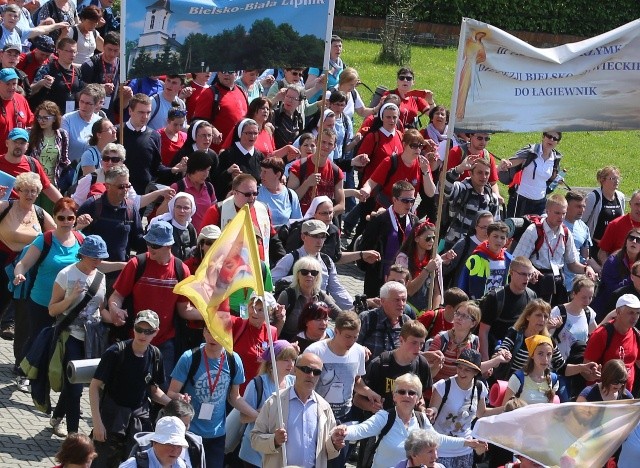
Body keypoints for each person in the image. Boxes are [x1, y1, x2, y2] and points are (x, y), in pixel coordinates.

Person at [337, 373, 485, 468]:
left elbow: (438, 440)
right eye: (401, 391)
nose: (406, 395)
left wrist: (468, 443)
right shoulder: (384, 417)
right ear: (394, 396)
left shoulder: (421, 420)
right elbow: (361, 430)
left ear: (417, 398)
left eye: (412, 392)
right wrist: (343, 431)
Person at [108, 220, 200, 374]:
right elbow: (117, 296)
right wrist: (114, 308)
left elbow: (184, 310)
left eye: (156, 245)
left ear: (169, 245)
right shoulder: (137, 264)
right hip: (135, 339)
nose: (150, 248)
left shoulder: (181, 270)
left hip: (166, 342)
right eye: (148, 243)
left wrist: (209, 315)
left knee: (162, 391)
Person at [89, 310, 175, 468]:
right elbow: (94, 387)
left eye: (148, 331)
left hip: (138, 421)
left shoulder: (155, 356)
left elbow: (153, 390)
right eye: (139, 329)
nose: (143, 335)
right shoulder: (116, 352)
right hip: (112, 418)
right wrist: (97, 423)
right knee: (101, 463)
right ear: (133, 328)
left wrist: (174, 404)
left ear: (156, 332)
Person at [12, 197, 85, 383]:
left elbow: (93, 266)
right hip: (41, 300)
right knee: (36, 337)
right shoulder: (44, 240)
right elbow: (24, 263)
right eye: (61, 218)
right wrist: (19, 274)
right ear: (54, 217)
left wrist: (124, 265)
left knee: (58, 340)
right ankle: (23, 372)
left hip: (67, 303)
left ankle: (44, 372)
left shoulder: (80, 240)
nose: (66, 222)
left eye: (70, 218)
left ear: (75, 218)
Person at [167, 326, 258, 467]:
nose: (212, 337)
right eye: (209, 331)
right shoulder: (189, 357)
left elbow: (235, 397)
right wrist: (180, 398)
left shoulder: (233, 360)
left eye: (218, 333)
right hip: (189, 433)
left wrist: (257, 415)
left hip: (217, 435)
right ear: (203, 332)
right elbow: (171, 393)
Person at [47, 235, 109, 438]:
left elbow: (101, 309)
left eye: (101, 258)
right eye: (94, 257)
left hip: (93, 339)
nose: (98, 262)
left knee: (75, 383)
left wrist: (115, 316)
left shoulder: (100, 277)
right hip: (70, 336)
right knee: (75, 388)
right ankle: (74, 436)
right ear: (83, 255)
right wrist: (72, 297)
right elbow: (52, 309)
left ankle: (57, 417)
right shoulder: (66, 274)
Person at [304, 311, 382, 467]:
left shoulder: (359, 351)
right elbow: (302, 383)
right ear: (336, 331)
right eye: (347, 336)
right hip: (316, 417)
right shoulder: (315, 351)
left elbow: (356, 380)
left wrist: (369, 392)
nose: (351, 341)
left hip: (344, 418)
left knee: (337, 463)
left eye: (355, 337)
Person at [0, 172, 55, 366]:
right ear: (18, 190)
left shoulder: (40, 213)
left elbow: (56, 235)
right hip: (2, 265)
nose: (30, 194)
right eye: (26, 190)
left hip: (27, 271)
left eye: (34, 191)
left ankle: (20, 363)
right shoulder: (6, 207)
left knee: (23, 320)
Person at [250, 352, 343, 468]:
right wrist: (274, 440)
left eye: (316, 372)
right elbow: (255, 439)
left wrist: (335, 443)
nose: (311, 375)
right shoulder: (274, 402)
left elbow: (328, 449)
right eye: (306, 369)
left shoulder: (324, 407)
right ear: (295, 370)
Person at [512, 193, 596, 305]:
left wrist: (586, 269)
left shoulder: (566, 233)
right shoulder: (534, 230)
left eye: (563, 213)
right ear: (547, 211)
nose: (561, 217)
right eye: (557, 213)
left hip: (558, 282)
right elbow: (518, 258)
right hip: (537, 281)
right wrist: (531, 269)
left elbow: (572, 264)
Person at [494, 299, 598, 382]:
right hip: (513, 385)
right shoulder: (515, 334)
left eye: (546, 316)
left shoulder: (548, 341)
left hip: (538, 389)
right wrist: (502, 353)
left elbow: (562, 368)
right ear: (528, 316)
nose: (542, 320)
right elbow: (504, 348)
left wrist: (582, 367)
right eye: (538, 315)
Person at [430, 349, 501, 468]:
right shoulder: (443, 386)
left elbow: (481, 413)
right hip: (442, 449)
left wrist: (506, 409)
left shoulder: (479, 387)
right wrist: (431, 411)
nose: (461, 372)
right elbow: (432, 412)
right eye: (460, 367)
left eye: (467, 369)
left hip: (465, 451)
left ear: (476, 372)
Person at [201, 173, 284, 265]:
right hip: (226, 270)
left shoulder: (263, 209)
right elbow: (204, 243)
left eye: (255, 193)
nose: (252, 198)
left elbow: (272, 238)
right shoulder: (217, 211)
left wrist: (283, 261)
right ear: (235, 193)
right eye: (247, 194)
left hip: (259, 269)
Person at [238, 340, 297, 468]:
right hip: (254, 455)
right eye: (285, 359)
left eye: (293, 359)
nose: (291, 364)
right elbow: (243, 418)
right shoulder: (257, 384)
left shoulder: (294, 383)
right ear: (272, 362)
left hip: (279, 455)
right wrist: (266, 413)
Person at [271, 219, 352, 311]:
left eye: (323, 236)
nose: (320, 241)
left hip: (319, 314)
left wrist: (352, 306)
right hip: (294, 312)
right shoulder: (290, 258)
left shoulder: (327, 261)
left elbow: (337, 289)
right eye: (315, 236)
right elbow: (271, 283)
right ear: (303, 236)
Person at [358, 180, 419, 298]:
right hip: (379, 277)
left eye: (412, 201)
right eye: (405, 201)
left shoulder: (413, 221)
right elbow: (365, 248)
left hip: (404, 278)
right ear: (394, 199)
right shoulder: (379, 220)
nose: (409, 205)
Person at [360, 320, 433, 412]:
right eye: (414, 343)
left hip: (406, 422)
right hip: (380, 421)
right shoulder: (380, 364)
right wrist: (372, 407)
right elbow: (357, 399)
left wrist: (423, 411)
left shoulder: (422, 364)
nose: (418, 348)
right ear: (401, 340)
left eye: (421, 343)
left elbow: (420, 396)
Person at [77, 165, 145, 262]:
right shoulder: (91, 205)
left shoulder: (131, 208)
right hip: (92, 270)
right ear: (107, 186)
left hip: (119, 271)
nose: (125, 190)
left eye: (128, 186)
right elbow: (75, 236)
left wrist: (151, 240)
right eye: (121, 186)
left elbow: (137, 240)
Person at [358, 128, 436, 209]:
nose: (418, 149)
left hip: (407, 210)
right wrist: (366, 190)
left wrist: (425, 172)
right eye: (414, 146)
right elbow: (371, 182)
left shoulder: (423, 165)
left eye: (420, 146)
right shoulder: (390, 161)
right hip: (386, 209)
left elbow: (431, 193)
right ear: (404, 145)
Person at [478, 256, 537, 361]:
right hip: (495, 352)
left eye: (529, 274)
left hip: (518, 354)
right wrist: (486, 360)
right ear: (511, 273)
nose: (527, 278)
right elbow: (483, 332)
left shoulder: (531, 296)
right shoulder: (495, 297)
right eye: (523, 274)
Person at [428, 301, 504, 382]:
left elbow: (474, 369)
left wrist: (497, 360)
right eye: (457, 313)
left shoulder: (474, 342)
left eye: (464, 316)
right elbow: (427, 370)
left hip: (460, 389)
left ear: (473, 323)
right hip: (437, 388)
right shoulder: (441, 339)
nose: (459, 318)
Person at [584, 294, 640, 393]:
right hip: (602, 397)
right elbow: (585, 370)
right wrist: (592, 374)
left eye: (637, 313)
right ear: (618, 312)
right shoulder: (601, 334)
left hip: (625, 397)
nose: (635, 317)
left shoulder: (636, 335)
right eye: (630, 313)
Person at [499, 131, 563, 218]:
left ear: (558, 142)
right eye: (549, 136)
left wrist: (557, 180)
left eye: (555, 139)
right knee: (517, 229)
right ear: (543, 137)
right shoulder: (531, 151)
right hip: (521, 200)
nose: (551, 140)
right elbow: (512, 162)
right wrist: (506, 163)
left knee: (536, 230)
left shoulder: (555, 159)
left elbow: (551, 179)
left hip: (540, 203)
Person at [442, 156, 500, 250]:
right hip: (455, 245)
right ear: (470, 173)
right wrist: (459, 168)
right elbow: (445, 187)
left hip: (479, 248)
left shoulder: (492, 199)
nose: (484, 176)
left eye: (487, 173)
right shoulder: (462, 190)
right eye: (479, 172)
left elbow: (496, 226)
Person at [230, 291, 281, 393]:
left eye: (260, 310)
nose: (254, 312)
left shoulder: (272, 332)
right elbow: (218, 316)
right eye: (252, 307)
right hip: (235, 389)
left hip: (258, 390)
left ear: (269, 312)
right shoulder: (237, 324)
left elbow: (272, 362)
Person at [287, 127, 345, 215]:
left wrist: (325, 213)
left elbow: (341, 205)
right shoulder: (298, 167)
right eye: (323, 142)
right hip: (302, 220)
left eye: (330, 144)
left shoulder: (336, 172)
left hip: (324, 223)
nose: (326, 146)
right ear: (316, 142)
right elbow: (290, 199)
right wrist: (307, 183)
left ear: (334, 147)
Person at [27, 100, 70, 210]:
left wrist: (59, 179)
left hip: (52, 184)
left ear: (54, 118)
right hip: (34, 183)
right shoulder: (30, 133)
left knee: (50, 215)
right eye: (39, 117)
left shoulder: (62, 135)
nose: (41, 120)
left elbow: (64, 161)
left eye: (45, 118)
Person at [192, 70, 249, 153]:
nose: (226, 74)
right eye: (222, 71)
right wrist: (212, 129)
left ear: (236, 73)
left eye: (230, 71)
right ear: (218, 74)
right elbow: (197, 121)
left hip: (240, 149)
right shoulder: (209, 93)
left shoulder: (241, 91)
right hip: (218, 151)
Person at [357, 281, 412, 360]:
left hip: (395, 371)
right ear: (382, 301)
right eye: (396, 300)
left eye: (404, 300)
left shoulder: (406, 322)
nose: (401, 304)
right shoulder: (367, 318)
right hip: (368, 370)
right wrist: (360, 349)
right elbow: (350, 344)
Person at [458, 221, 512, 300]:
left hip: (498, 304)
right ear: (488, 236)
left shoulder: (509, 260)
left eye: (502, 238)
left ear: (506, 240)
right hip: (475, 305)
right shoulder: (475, 259)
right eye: (495, 236)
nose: (499, 240)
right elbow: (463, 284)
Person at [214, 118, 265, 200]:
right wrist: (228, 173)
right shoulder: (227, 155)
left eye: (255, 133)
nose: (252, 136)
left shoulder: (259, 156)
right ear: (240, 134)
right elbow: (216, 181)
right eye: (248, 133)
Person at [32, 38, 86, 115]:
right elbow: (30, 91)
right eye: (69, 51)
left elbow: (79, 95)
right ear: (59, 51)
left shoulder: (77, 71)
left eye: (75, 52)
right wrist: (41, 83)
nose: (73, 54)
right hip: (51, 116)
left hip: (70, 116)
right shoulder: (47, 69)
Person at [549, 276, 597, 360]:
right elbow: (546, 337)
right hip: (559, 365)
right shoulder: (558, 312)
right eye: (584, 297)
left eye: (590, 297)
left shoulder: (589, 313)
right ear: (574, 294)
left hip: (579, 364)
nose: (587, 301)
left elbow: (597, 336)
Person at [501, 335, 559, 405]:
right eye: (540, 354)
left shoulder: (553, 379)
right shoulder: (518, 378)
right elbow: (505, 408)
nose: (545, 359)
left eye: (549, 354)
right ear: (532, 355)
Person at [583, 166, 625, 260]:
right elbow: (583, 221)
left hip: (614, 248)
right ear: (603, 180)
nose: (616, 181)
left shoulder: (620, 197)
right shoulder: (593, 197)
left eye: (618, 178)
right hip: (595, 246)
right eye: (612, 178)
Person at [442, 210, 493, 289]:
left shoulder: (494, 245)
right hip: (461, 291)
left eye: (490, 227)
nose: (487, 231)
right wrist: (446, 262)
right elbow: (445, 269)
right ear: (475, 226)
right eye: (483, 227)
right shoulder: (464, 244)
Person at [79, 31, 122, 119]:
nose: (112, 54)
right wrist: (99, 89)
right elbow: (80, 90)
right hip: (90, 114)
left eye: (116, 50)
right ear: (103, 46)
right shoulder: (90, 65)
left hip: (109, 113)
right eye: (109, 49)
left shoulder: (121, 64)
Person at [563, 191, 599, 292]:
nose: (582, 210)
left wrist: (600, 270)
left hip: (576, 282)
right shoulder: (557, 223)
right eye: (578, 206)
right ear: (567, 206)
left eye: (583, 206)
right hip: (558, 279)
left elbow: (586, 257)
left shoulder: (584, 228)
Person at [119, 416, 189, 468]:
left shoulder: (181, 465)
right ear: (155, 443)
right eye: (170, 444)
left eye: (179, 446)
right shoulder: (133, 465)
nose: (175, 450)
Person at [60, 83, 104, 163]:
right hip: (71, 169)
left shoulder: (101, 122)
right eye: (81, 102)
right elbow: (62, 147)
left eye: (88, 103)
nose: (83, 106)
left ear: (97, 104)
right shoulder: (67, 119)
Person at [149, 192, 197, 261]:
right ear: (173, 208)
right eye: (178, 207)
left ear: (191, 210)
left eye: (186, 208)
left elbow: (193, 249)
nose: (182, 211)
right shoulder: (163, 226)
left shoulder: (190, 228)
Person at [257, 156, 302, 228]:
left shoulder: (291, 195)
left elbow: (297, 222)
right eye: (261, 171)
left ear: (277, 174)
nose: (261, 175)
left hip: (284, 237)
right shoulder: (256, 193)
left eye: (265, 172)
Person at [597, 190, 640, 265]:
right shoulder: (616, 224)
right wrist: (608, 269)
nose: (639, 209)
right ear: (630, 204)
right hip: (620, 271)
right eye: (637, 204)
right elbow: (602, 253)